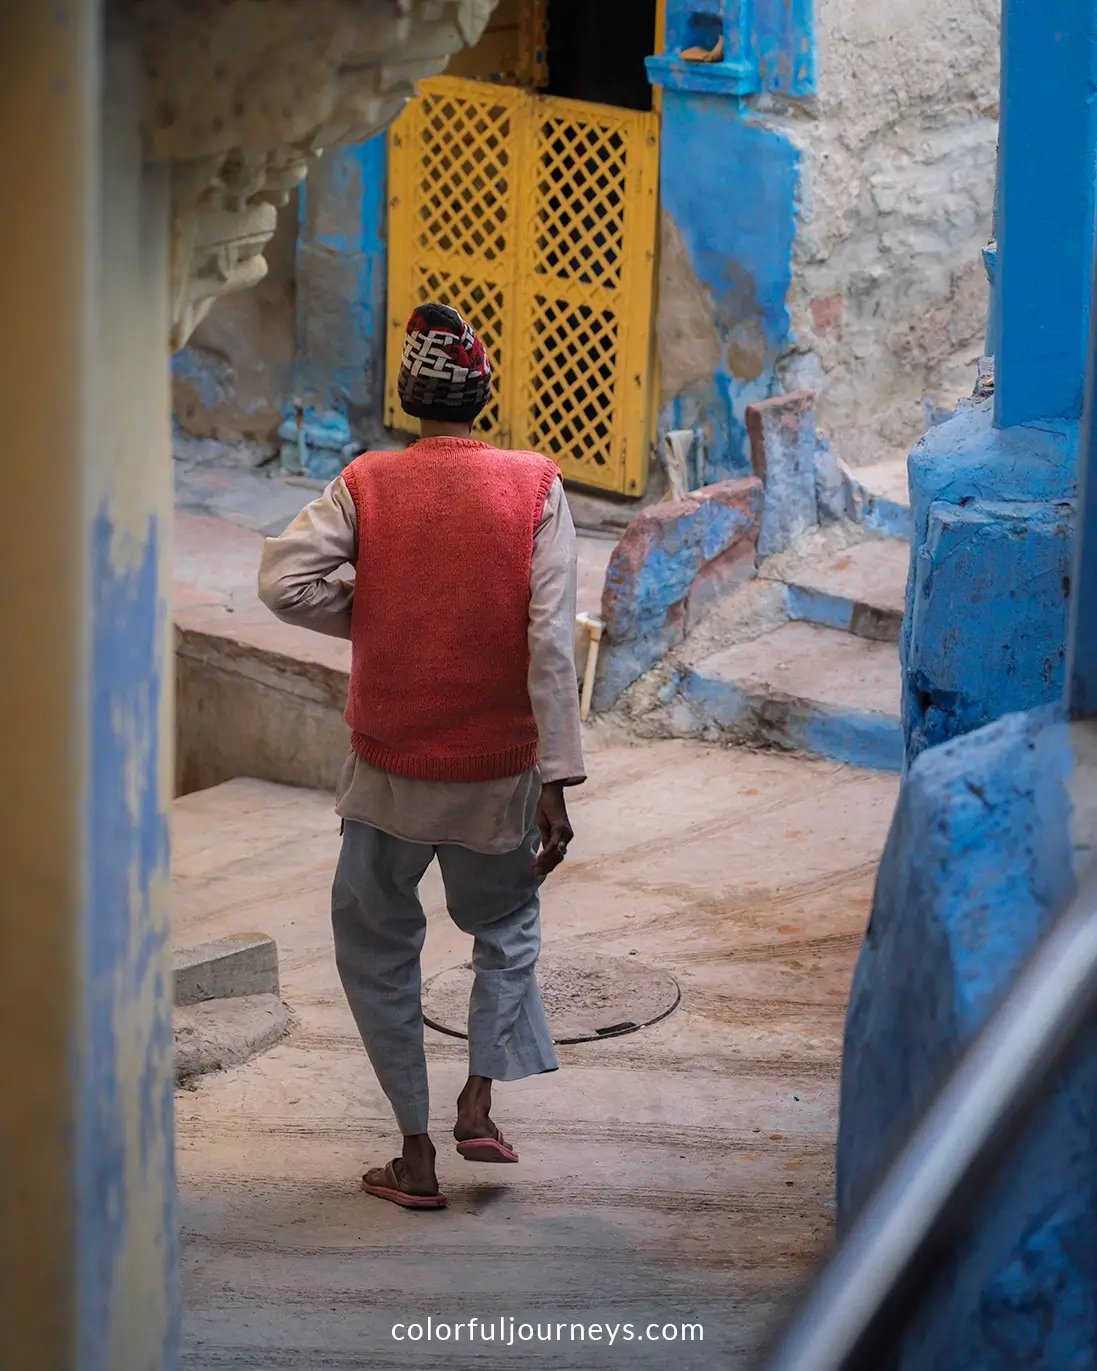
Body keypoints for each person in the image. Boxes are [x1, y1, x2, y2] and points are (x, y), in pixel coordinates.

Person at [257, 303, 585, 1210]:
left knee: (374, 948)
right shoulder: (535, 486)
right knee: (506, 930)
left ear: (406, 398)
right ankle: (477, 1102)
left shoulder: (366, 483)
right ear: (484, 395)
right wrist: (556, 777)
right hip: (496, 773)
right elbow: (549, 642)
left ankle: (414, 1152)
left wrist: (371, 613)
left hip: (387, 774)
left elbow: (282, 581)